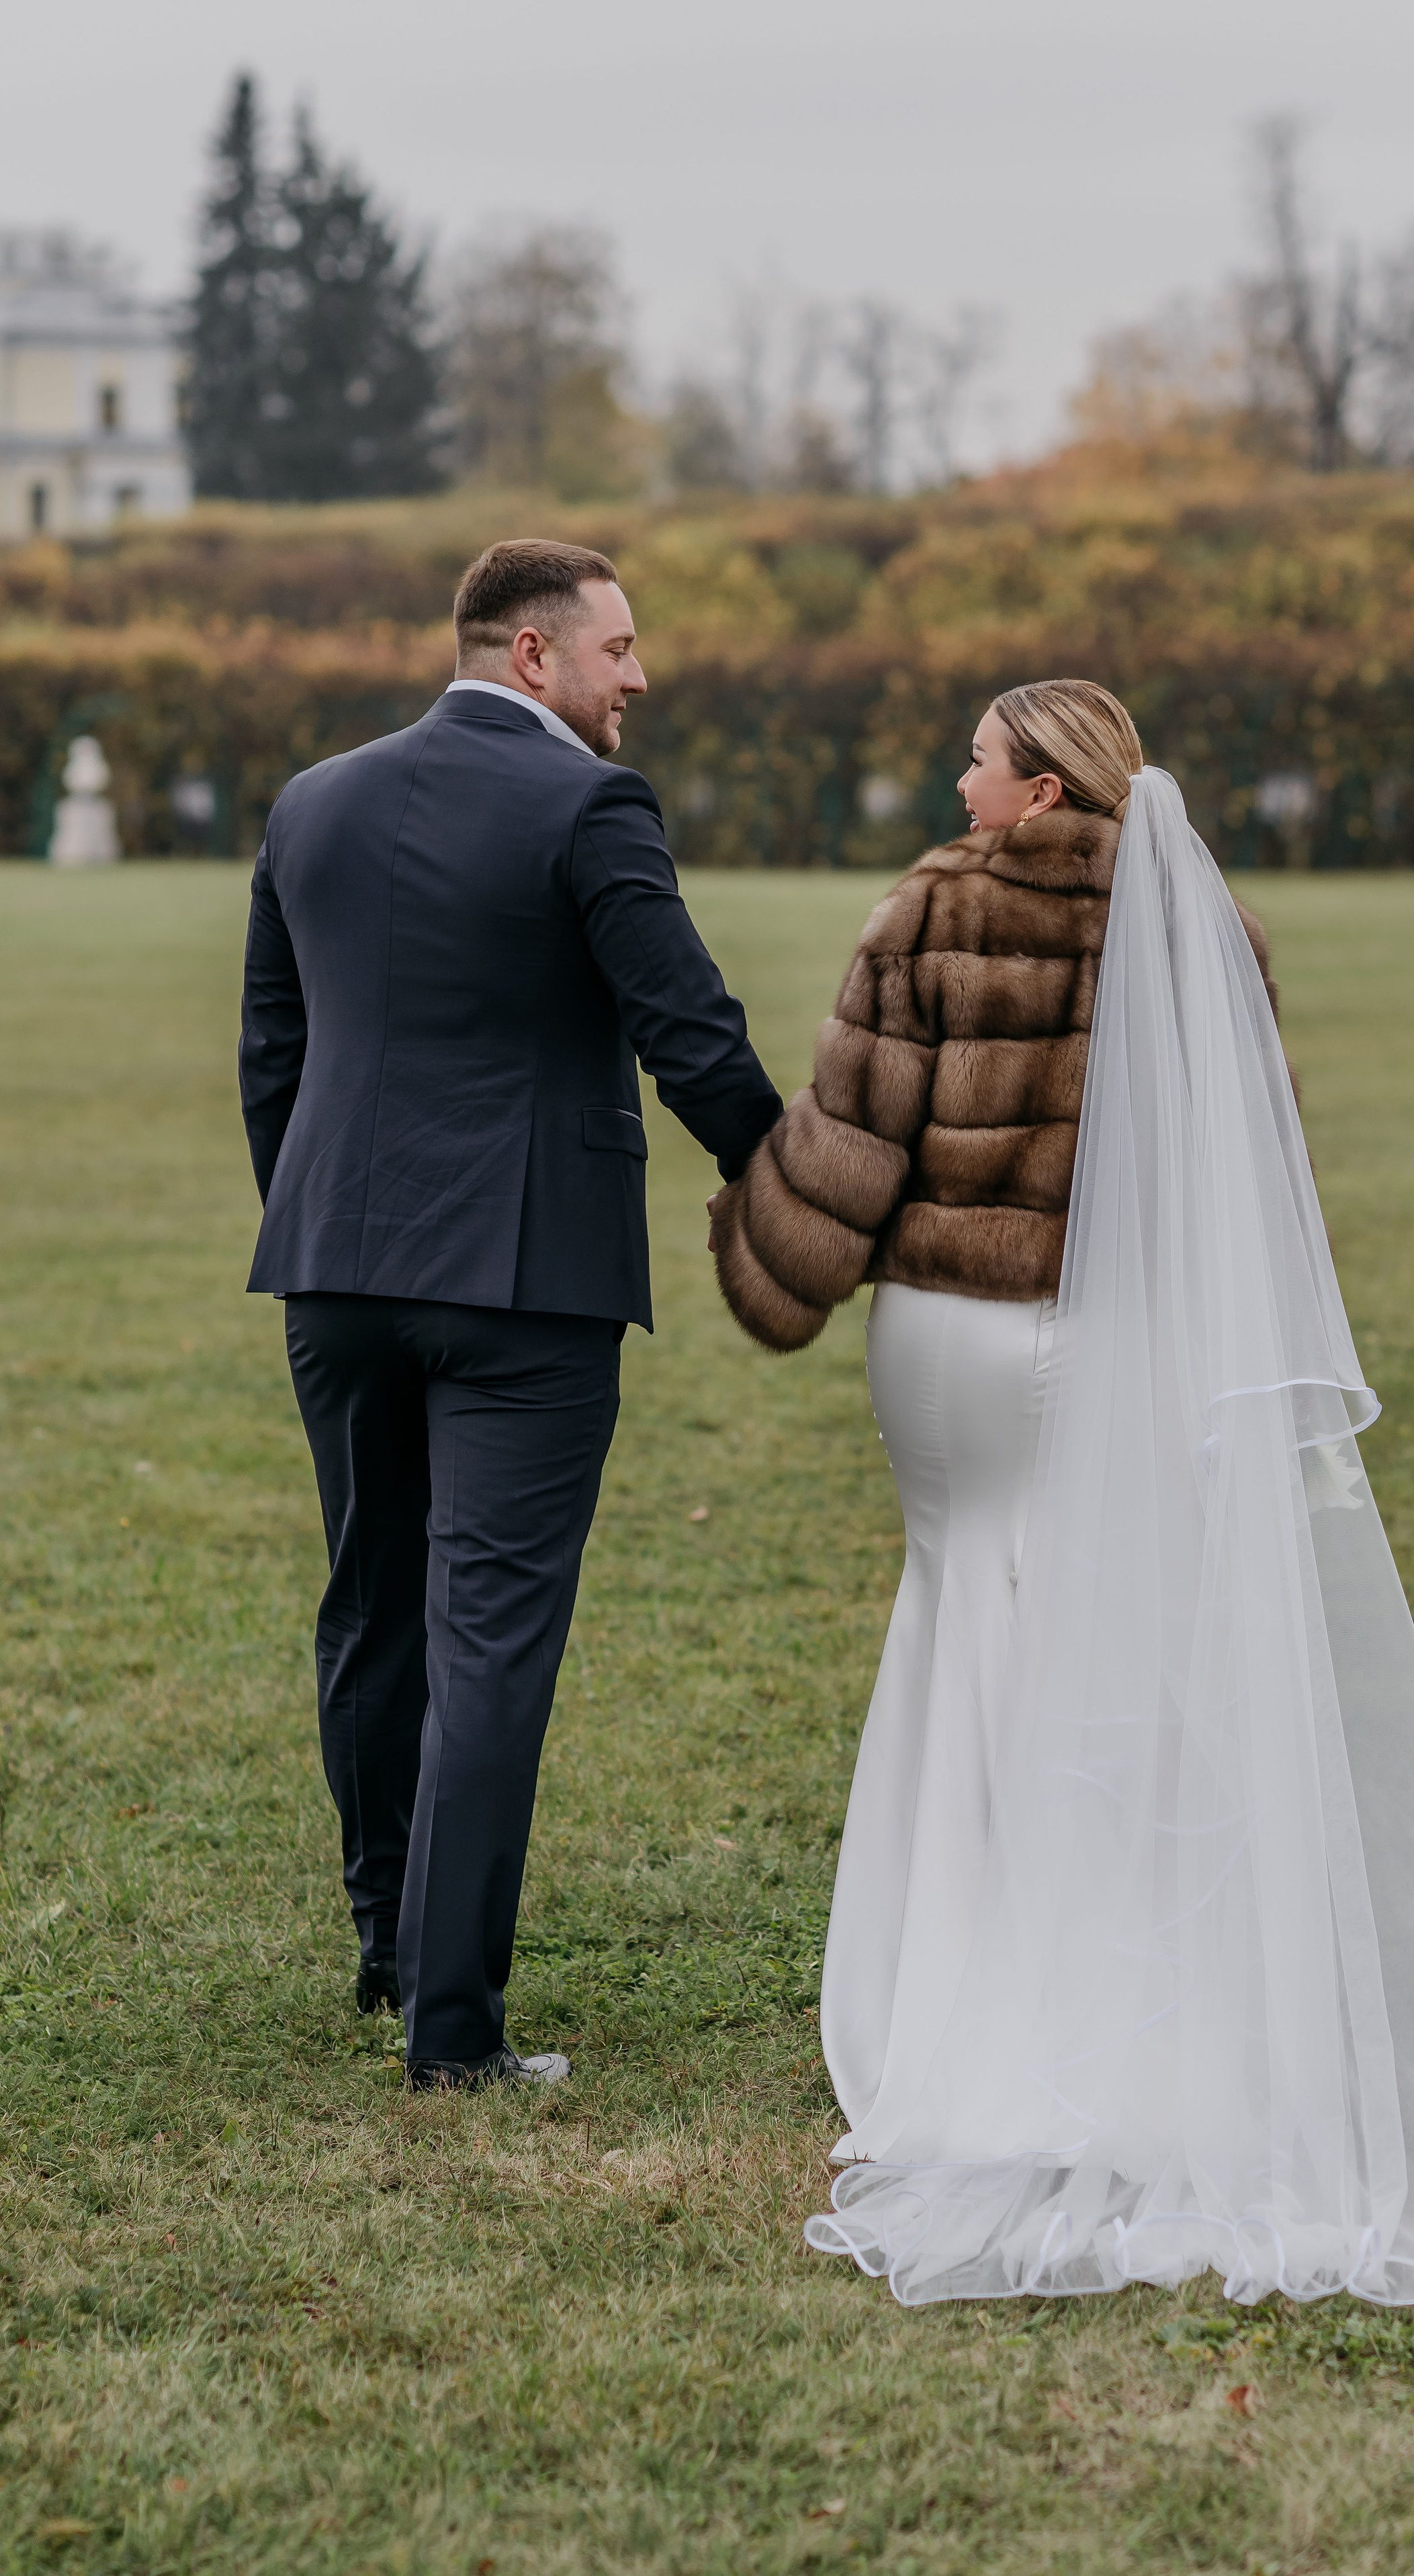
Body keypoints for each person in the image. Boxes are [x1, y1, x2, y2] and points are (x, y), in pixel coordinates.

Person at [710, 679, 1414, 2313]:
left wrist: (764, 1254)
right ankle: (1129, 1992)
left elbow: (853, 1145)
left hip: (958, 1337)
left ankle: (956, 2005)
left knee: (961, 1623)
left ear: (1031, 791)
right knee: (1118, 1645)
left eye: (978, 757)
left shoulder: (937, 905)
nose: (958, 776)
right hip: (1132, 1344)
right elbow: (1247, 1163)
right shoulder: (1200, 915)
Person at [239, 539, 781, 2091]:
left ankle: (388, 1951)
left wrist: (329, 1218)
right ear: (534, 658)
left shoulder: (311, 800)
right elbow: (690, 1032)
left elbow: (272, 1055)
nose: (639, 677)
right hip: (525, 1284)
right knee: (487, 1643)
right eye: (619, 648)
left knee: (370, 1606)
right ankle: (454, 2036)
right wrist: (801, 1194)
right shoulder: (588, 804)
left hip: (333, 1267)